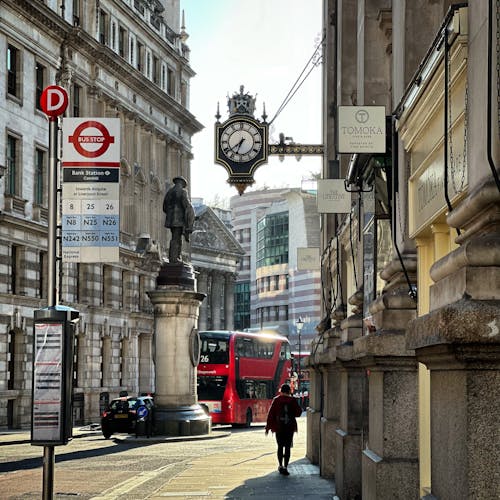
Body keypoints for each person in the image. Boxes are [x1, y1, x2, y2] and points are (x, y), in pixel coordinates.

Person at [265, 383, 302, 476]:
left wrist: (268, 427)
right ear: (289, 391)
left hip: (279, 427)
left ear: (281, 391)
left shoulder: (276, 400)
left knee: (280, 446)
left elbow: (271, 414)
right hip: (289, 427)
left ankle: (280, 465)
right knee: (288, 447)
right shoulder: (292, 400)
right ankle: (286, 466)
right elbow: (298, 413)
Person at [163, 176, 195, 263]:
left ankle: (174, 257)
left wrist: (170, 214)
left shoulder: (169, 192)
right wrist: (189, 219)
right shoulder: (183, 192)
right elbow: (187, 206)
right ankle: (175, 258)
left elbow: (164, 207)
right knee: (177, 239)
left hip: (171, 220)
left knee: (174, 237)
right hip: (179, 220)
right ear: (182, 183)